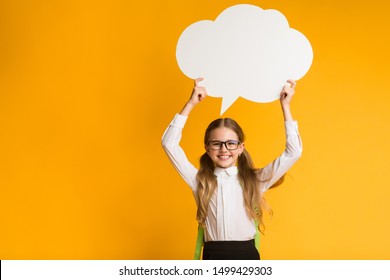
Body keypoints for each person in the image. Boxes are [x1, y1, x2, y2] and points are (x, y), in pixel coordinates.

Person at [161, 78, 302, 260]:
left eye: (231, 143)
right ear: (207, 148)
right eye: (216, 143)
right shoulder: (199, 180)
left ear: (241, 147)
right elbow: (168, 143)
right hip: (213, 255)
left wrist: (286, 106)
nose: (224, 149)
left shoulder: (256, 180)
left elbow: (294, 152)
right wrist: (191, 103)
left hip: (246, 256)